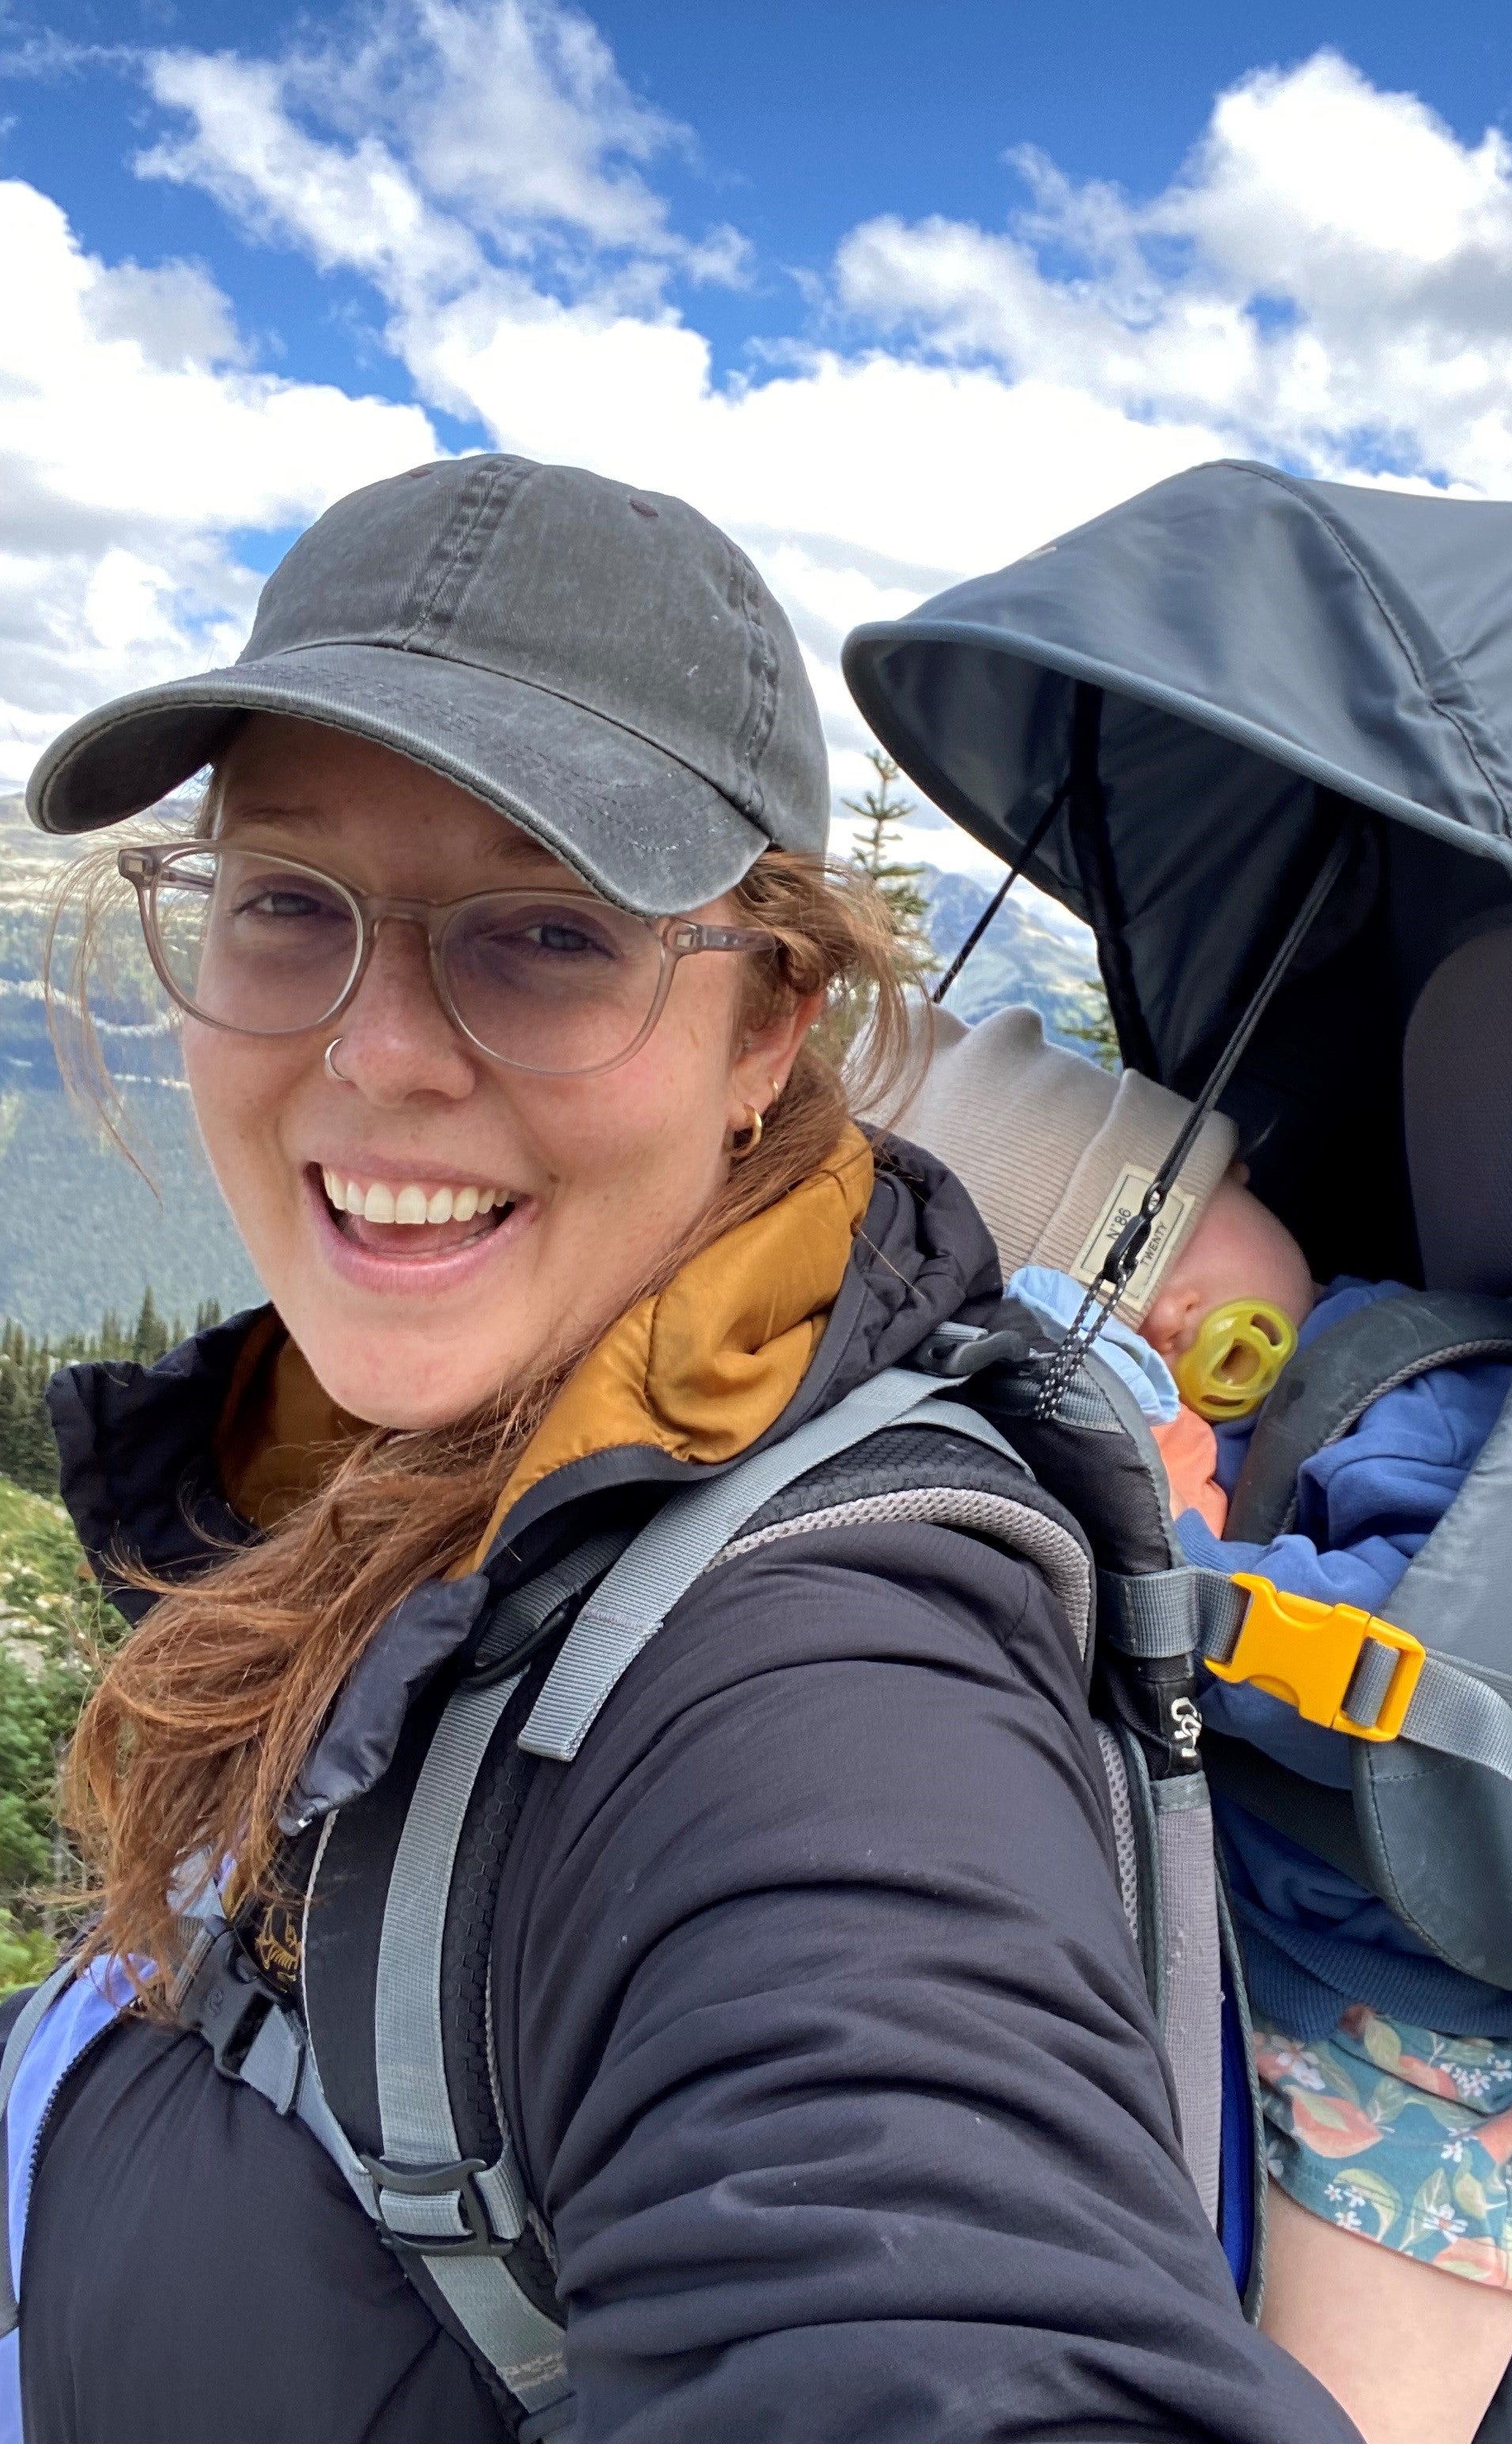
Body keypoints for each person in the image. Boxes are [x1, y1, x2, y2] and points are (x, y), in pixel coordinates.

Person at [2, 459, 1355, 2444]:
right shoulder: (383, 1479)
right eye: (290, 901)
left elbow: (916, 2270)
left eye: (546, 929)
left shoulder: (814, 1691)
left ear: (767, 1026)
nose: (378, 1050)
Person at [894, 1003, 1512, 2444]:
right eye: (1117, 1310)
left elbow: (1421, 1640)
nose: (1178, 1314)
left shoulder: (1413, 1379)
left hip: (1406, 2028)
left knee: (1349, 2403)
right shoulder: (1203, 1431)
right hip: (1220, 1964)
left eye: (1195, 1226)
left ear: (1257, 1175)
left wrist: (1180, 1543)